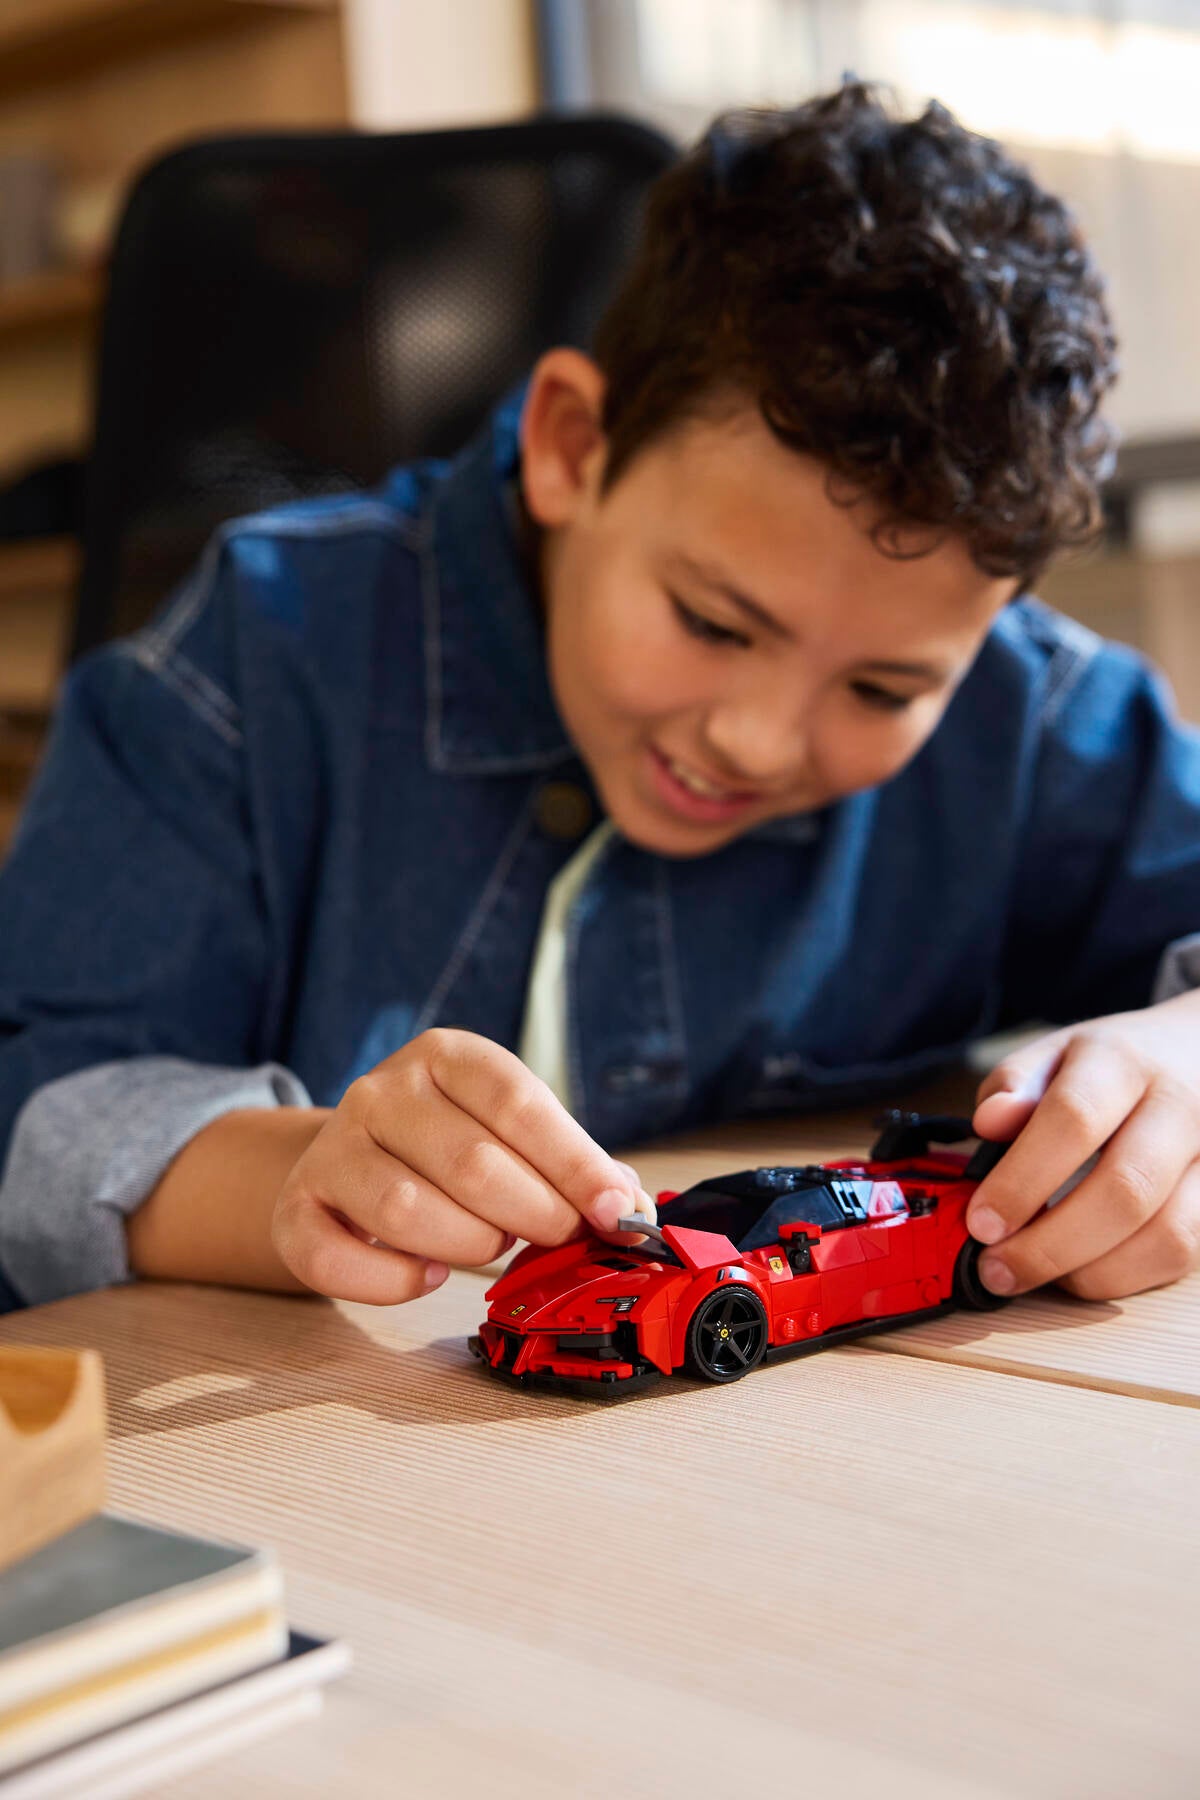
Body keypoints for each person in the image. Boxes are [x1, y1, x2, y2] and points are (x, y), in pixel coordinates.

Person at [1, 81, 1197, 1320]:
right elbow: (42, 1118)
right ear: (573, 446)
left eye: (885, 686)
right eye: (714, 623)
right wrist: (296, 1176)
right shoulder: (252, 661)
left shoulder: (1027, 713)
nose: (754, 740)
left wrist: (1183, 1068)